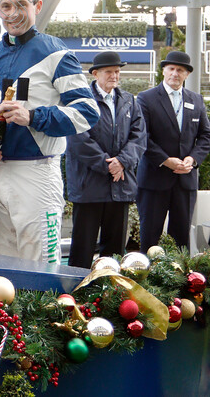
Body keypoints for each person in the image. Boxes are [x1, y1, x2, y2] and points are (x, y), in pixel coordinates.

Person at [0, 0, 99, 264]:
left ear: (37, 7)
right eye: (5, 6)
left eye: (21, 5)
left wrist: (33, 116)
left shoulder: (57, 53)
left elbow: (87, 111)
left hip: (36, 172)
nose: (13, 13)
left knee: (41, 262)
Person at [66, 51, 146, 268]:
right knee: (82, 250)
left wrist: (122, 162)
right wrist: (108, 165)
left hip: (119, 187)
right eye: (109, 71)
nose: (114, 76)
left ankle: (111, 296)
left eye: (117, 71)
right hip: (89, 186)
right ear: (95, 74)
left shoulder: (129, 100)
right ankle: (76, 295)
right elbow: (78, 139)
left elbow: (139, 137)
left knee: (114, 252)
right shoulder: (80, 101)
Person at [136, 51, 210, 251]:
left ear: (187, 74)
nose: (175, 73)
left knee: (181, 240)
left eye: (180, 70)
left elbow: (206, 135)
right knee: (149, 237)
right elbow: (142, 136)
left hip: (185, 181)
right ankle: (147, 278)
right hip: (153, 179)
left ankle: (180, 281)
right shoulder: (146, 98)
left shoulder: (196, 100)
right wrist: (165, 160)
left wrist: (193, 159)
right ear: (163, 71)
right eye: (171, 69)